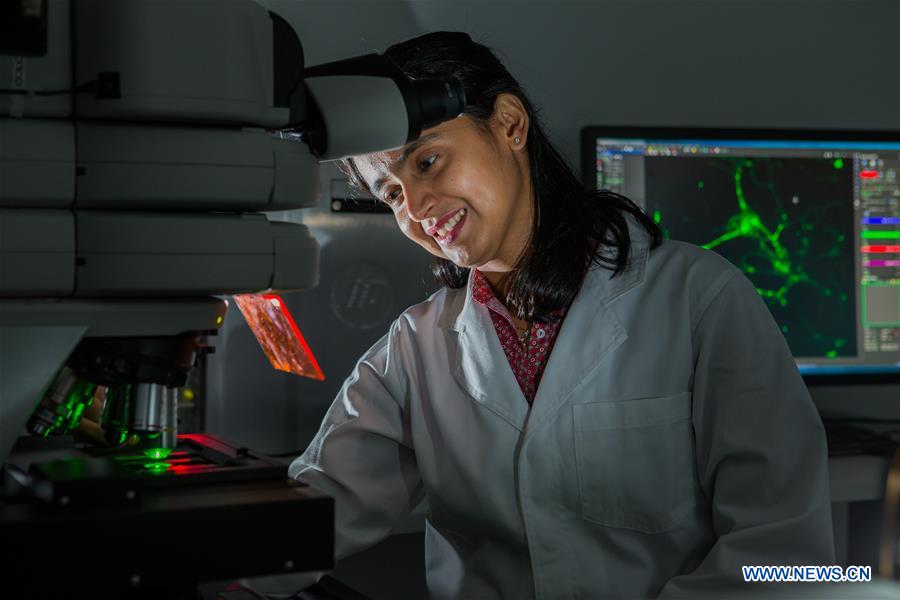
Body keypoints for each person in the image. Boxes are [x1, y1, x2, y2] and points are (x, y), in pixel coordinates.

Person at [288, 31, 835, 599]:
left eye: (428, 161)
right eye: (392, 195)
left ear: (509, 124)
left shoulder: (701, 299)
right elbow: (315, 511)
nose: (418, 208)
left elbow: (787, 552)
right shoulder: (415, 347)